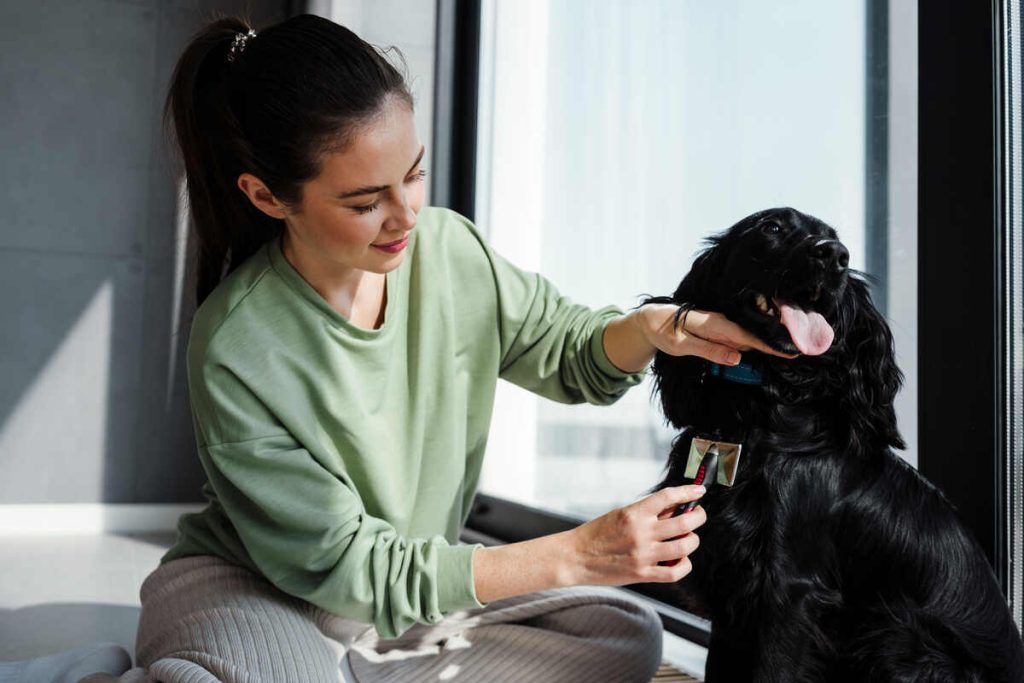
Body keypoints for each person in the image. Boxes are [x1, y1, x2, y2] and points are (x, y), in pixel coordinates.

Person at [73, 13, 791, 683]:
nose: (406, 214)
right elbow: (354, 565)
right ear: (267, 197)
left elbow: (568, 350)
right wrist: (577, 550)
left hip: (402, 601)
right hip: (261, 585)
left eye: (413, 173)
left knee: (623, 630)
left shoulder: (449, 249)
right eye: (365, 202)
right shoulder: (236, 344)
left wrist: (651, 330)